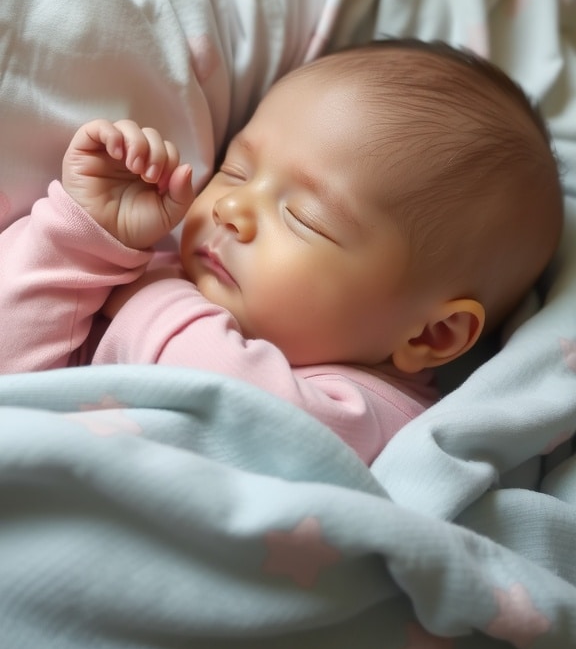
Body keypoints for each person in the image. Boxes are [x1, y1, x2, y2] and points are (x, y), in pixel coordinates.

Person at [0, 40, 563, 464]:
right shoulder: (162, 271)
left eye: (304, 218)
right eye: (236, 170)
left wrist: (154, 306)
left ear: (430, 335)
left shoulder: (373, 417)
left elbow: (248, 415)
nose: (231, 209)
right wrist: (82, 238)